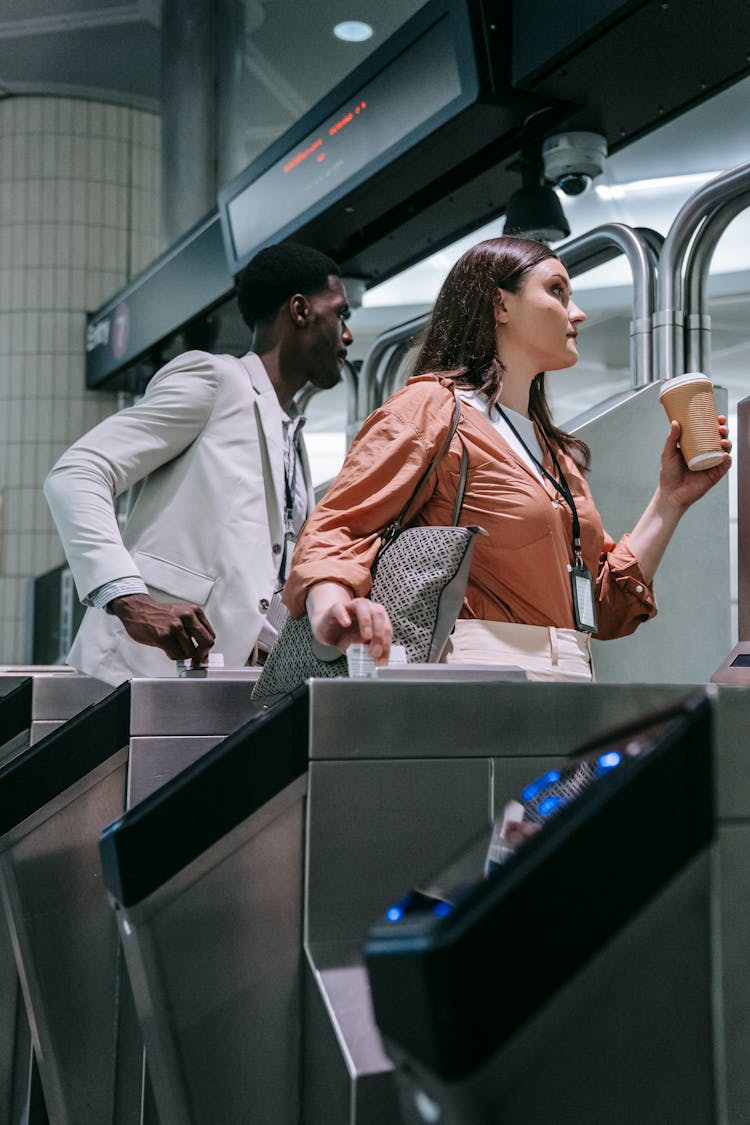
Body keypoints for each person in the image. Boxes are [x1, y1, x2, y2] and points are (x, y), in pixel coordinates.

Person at [283, 235, 731, 682]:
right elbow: (336, 528)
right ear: (499, 305)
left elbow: (604, 605)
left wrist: (671, 499)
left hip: (571, 682)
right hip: (477, 681)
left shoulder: (552, 450)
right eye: (557, 291)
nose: (577, 313)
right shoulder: (432, 410)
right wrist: (333, 613)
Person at [44, 241, 353, 685]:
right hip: (136, 677)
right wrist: (128, 597)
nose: (347, 335)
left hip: (224, 685)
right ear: (301, 310)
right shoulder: (216, 380)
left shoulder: (290, 432)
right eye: (341, 313)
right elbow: (77, 473)